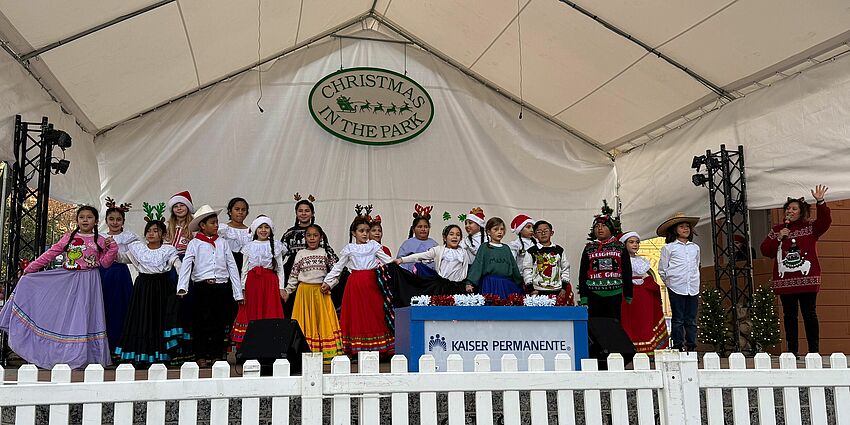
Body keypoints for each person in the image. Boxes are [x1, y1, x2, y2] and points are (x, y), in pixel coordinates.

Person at [0, 206, 117, 369]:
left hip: (90, 281)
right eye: (81, 217)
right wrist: (29, 269)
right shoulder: (69, 237)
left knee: (85, 315)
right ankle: (66, 354)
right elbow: (50, 254)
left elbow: (105, 263)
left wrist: (112, 248)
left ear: (96, 221)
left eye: (89, 217)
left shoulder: (101, 240)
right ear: (77, 220)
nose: (85, 220)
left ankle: (85, 356)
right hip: (68, 280)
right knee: (68, 315)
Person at [760, 185, 830, 356]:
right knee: (789, 316)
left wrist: (820, 202)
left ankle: (814, 351)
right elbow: (765, 251)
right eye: (788, 208)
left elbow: (825, 222)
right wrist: (778, 237)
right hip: (786, 282)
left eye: (794, 208)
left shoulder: (810, 227)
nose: (790, 211)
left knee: (809, 314)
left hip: (807, 280)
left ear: (801, 211)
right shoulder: (778, 230)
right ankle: (792, 351)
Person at [114, 213, 189, 364]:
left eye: (155, 230)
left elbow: (179, 266)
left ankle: (161, 355)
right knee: (141, 319)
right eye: (149, 231)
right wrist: (110, 249)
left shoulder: (168, 250)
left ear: (163, 234)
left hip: (162, 287)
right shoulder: (138, 249)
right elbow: (122, 258)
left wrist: (182, 287)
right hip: (142, 288)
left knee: (159, 319)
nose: (151, 233)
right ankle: (140, 356)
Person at [177, 205, 243, 365]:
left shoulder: (222, 243)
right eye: (212, 223)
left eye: (216, 222)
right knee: (201, 322)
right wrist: (182, 286)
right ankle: (200, 355)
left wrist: (237, 292)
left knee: (219, 322)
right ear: (202, 226)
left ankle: (216, 354)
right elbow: (186, 264)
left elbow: (232, 266)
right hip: (202, 288)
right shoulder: (194, 243)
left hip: (221, 287)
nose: (216, 225)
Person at [325, 214, 395, 356]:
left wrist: (399, 263)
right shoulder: (349, 248)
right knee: (357, 315)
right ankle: (358, 350)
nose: (365, 234)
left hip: (371, 283)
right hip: (355, 285)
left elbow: (388, 261)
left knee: (375, 313)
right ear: (354, 233)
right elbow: (338, 267)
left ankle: (380, 350)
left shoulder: (374, 246)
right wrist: (327, 282)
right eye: (361, 231)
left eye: (367, 231)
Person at [285, 224, 342, 363]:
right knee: (304, 322)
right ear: (305, 237)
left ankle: (325, 353)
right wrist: (288, 291)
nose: (312, 238)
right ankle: (304, 353)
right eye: (309, 235)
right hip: (304, 293)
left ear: (320, 237)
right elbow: (294, 275)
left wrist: (329, 284)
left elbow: (337, 272)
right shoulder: (300, 254)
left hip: (320, 292)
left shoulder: (325, 253)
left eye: (315, 235)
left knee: (322, 322)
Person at [230, 215, 286, 349]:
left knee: (269, 311)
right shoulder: (248, 246)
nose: (263, 230)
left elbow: (280, 269)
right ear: (255, 230)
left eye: (266, 227)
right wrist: (242, 289)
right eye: (260, 227)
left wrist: (281, 288)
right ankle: (251, 346)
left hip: (269, 283)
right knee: (252, 312)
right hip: (252, 284)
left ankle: (270, 345)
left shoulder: (276, 246)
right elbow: (244, 269)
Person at [280, 194, 337, 316]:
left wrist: (338, 267)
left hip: (315, 269)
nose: (303, 213)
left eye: (307, 210)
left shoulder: (319, 232)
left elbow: (328, 252)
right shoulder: (290, 233)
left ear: (312, 213)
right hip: (294, 270)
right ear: (296, 213)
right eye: (300, 211)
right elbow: (280, 254)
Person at [578, 203, 632, 319]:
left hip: (615, 293)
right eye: (597, 227)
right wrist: (584, 297)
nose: (600, 229)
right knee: (596, 325)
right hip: (593, 294)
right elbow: (583, 273)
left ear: (610, 228)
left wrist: (628, 294)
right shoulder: (589, 248)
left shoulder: (620, 246)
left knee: (614, 325)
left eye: (603, 226)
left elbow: (627, 271)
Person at [618, 231, 669, 354]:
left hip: (642, 295)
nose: (635, 245)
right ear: (624, 244)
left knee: (644, 321)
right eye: (631, 242)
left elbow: (645, 276)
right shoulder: (619, 260)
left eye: (637, 242)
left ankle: (646, 349)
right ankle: (628, 349)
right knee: (629, 322)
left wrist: (651, 286)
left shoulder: (642, 260)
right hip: (627, 294)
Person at [657, 212, 701, 352]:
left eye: (687, 226)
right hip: (676, 287)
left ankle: (691, 345)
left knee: (691, 319)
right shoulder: (669, 248)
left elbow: (696, 265)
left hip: (692, 286)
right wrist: (670, 282)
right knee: (678, 318)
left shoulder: (695, 248)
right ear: (674, 230)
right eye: (681, 226)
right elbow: (662, 269)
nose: (685, 229)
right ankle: (677, 345)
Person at [99, 197, 139, 352]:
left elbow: (135, 256)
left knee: (121, 308)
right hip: (102, 274)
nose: (115, 222)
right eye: (111, 219)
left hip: (120, 274)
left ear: (123, 221)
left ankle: (121, 346)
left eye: (118, 219)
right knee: (104, 308)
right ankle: (103, 346)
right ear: (106, 220)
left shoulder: (129, 237)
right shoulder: (100, 236)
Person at [466, 217, 524, 298]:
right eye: (496, 229)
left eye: (502, 229)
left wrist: (520, 282)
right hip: (490, 284)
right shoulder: (484, 247)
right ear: (489, 232)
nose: (499, 232)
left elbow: (514, 267)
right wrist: (470, 282)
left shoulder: (506, 248)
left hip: (506, 285)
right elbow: (477, 265)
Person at [522, 220, 573, 304]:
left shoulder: (559, 250)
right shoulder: (531, 251)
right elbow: (527, 270)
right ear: (534, 235)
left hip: (557, 291)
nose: (543, 233)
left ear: (552, 233)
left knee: (557, 316)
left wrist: (564, 288)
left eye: (546, 231)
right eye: (539, 231)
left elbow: (565, 268)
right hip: (538, 292)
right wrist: (531, 289)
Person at [396, 204, 438, 274]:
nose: (423, 229)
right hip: (411, 278)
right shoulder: (407, 244)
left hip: (431, 279)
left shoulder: (434, 244)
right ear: (413, 229)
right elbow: (400, 262)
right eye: (420, 227)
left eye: (426, 227)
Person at [218, 197, 252, 272]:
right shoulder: (223, 230)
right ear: (230, 212)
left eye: (243, 210)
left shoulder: (250, 232)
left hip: (245, 269)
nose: (240, 212)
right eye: (237, 209)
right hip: (227, 268)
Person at [165, 191, 195, 257]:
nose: (179, 208)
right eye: (175, 206)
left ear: (188, 207)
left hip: (188, 258)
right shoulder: (167, 225)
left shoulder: (194, 225)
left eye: (182, 205)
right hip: (169, 259)